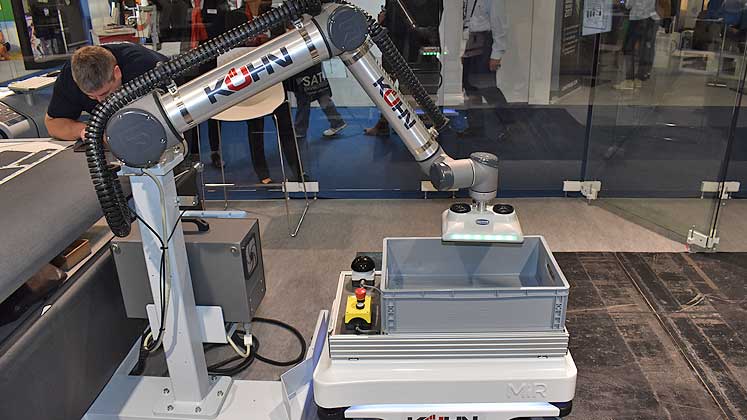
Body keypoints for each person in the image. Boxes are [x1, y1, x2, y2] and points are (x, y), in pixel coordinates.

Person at [44, 43, 166, 141]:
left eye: (105, 93)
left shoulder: (145, 66)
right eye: (91, 96)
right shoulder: (69, 75)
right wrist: (87, 131)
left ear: (117, 73)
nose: (101, 101)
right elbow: (52, 123)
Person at [364, 0, 443, 137]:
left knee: (411, 88)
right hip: (397, 41)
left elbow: (429, 18)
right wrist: (385, 19)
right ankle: (387, 123)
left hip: (413, 43)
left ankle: (412, 128)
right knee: (387, 84)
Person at [461, 0, 510, 141]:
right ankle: (476, 127)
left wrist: (497, 54)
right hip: (470, 41)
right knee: (470, 87)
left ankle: (510, 126)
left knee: (487, 88)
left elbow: (499, 24)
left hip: (484, 42)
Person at [289, 63, 347, 140]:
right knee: (322, 95)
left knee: (304, 101)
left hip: (301, 69)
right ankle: (337, 122)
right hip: (313, 67)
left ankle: (299, 131)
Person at [613, 0, 660, 90]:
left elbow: (629, 5)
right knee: (645, 49)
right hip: (652, 18)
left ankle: (629, 80)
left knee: (628, 48)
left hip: (638, 17)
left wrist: (624, 3)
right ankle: (639, 79)